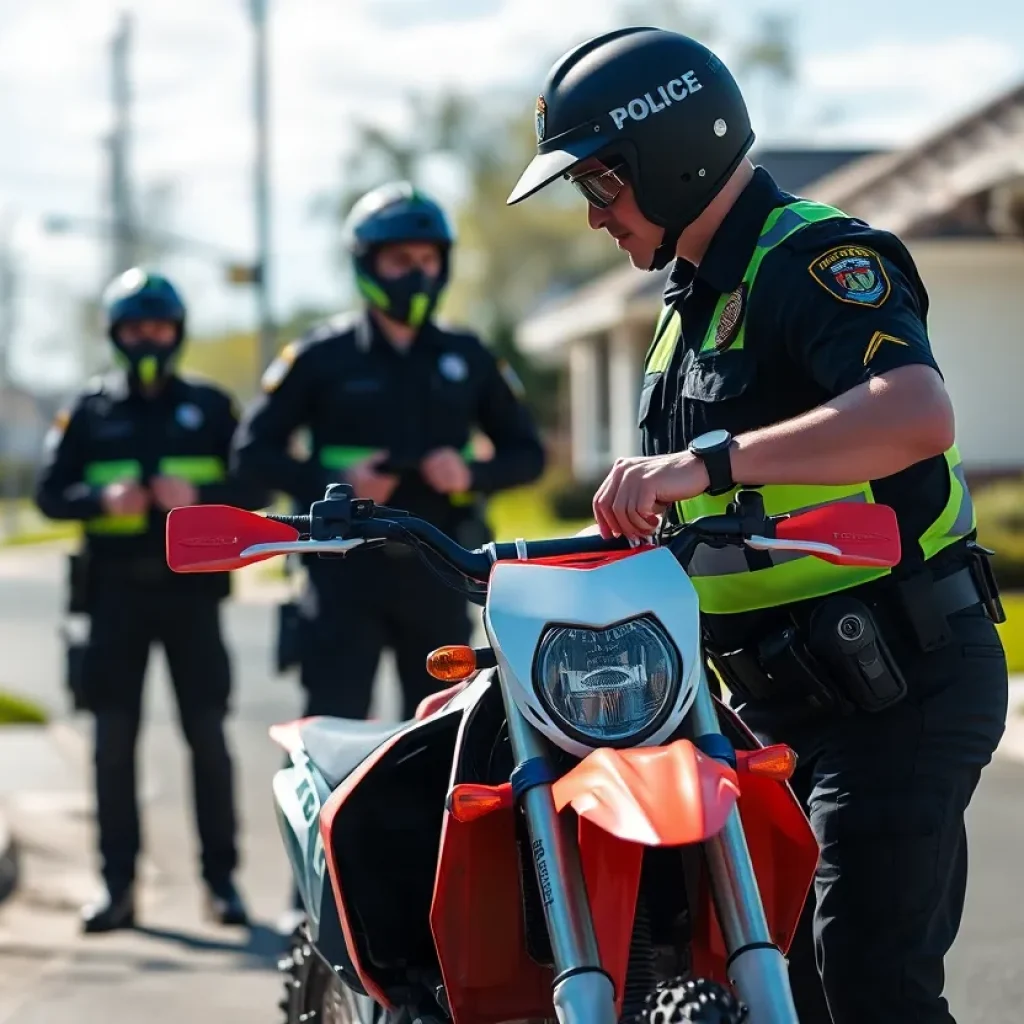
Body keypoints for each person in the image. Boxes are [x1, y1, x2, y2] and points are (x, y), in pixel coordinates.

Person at [507, 26, 1008, 1024]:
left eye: (601, 186)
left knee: (868, 978)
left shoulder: (812, 257)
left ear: (669, 154)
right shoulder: (681, 308)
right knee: (768, 980)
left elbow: (914, 413)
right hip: (768, 703)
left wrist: (707, 461)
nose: (595, 217)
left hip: (896, 684)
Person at [232, 181, 546, 723]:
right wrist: (334, 478)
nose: (419, 272)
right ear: (366, 264)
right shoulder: (318, 357)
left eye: (429, 259)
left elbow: (529, 455)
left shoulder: (468, 357)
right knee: (333, 729)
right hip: (341, 574)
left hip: (438, 572)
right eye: (402, 259)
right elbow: (251, 454)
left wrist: (469, 473)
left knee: (441, 735)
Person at [35, 268, 269, 933]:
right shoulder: (87, 409)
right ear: (116, 334)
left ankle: (221, 886)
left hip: (192, 599)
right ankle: (117, 889)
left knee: (207, 739)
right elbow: (52, 492)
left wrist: (200, 497)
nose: (148, 339)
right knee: (112, 745)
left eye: (159, 327)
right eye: (135, 328)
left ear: (177, 332)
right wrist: (99, 500)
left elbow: (256, 483)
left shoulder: (210, 405)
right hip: (113, 601)